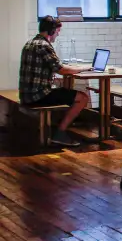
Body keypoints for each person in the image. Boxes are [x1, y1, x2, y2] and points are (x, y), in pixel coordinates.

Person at [18, 16, 89, 147]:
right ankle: (60, 133)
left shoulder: (29, 43)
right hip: (38, 95)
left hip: (26, 94)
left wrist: (51, 78)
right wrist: (83, 68)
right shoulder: (44, 45)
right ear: (51, 31)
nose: (58, 34)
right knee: (83, 97)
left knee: (65, 92)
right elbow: (62, 69)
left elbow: (40, 69)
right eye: (57, 31)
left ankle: (56, 128)